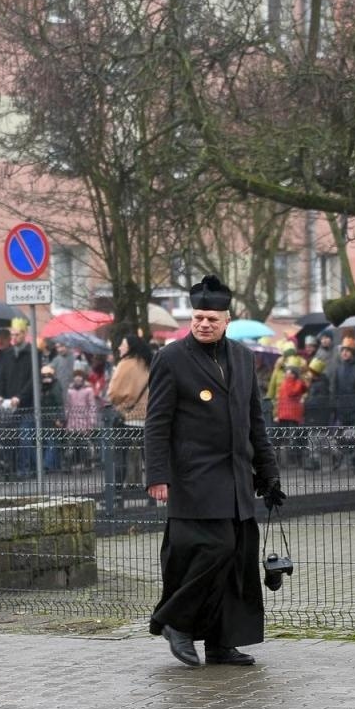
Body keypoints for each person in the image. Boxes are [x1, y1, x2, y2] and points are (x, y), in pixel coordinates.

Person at [145, 275, 282, 668]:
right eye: (198, 317)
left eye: (212, 318)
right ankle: (175, 620)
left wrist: (268, 473)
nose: (204, 323)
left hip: (238, 478)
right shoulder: (170, 359)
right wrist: (157, 474)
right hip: (195, 479)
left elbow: (255, 420)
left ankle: (222, 644)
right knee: (216, 549)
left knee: (238, 558)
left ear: (227, 320)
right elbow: (157, 423)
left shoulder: (242, 357)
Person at [106, 335, 151, 489]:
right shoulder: (147, 363)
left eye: (122, 344)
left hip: (127, 417)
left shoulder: (125, 364)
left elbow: (113, 393)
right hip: (147, 418)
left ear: (130, 347)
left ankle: (117, 493)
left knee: (120, 456)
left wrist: (120, 403)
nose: (119, 347)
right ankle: (152, 494)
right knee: (148, 458)